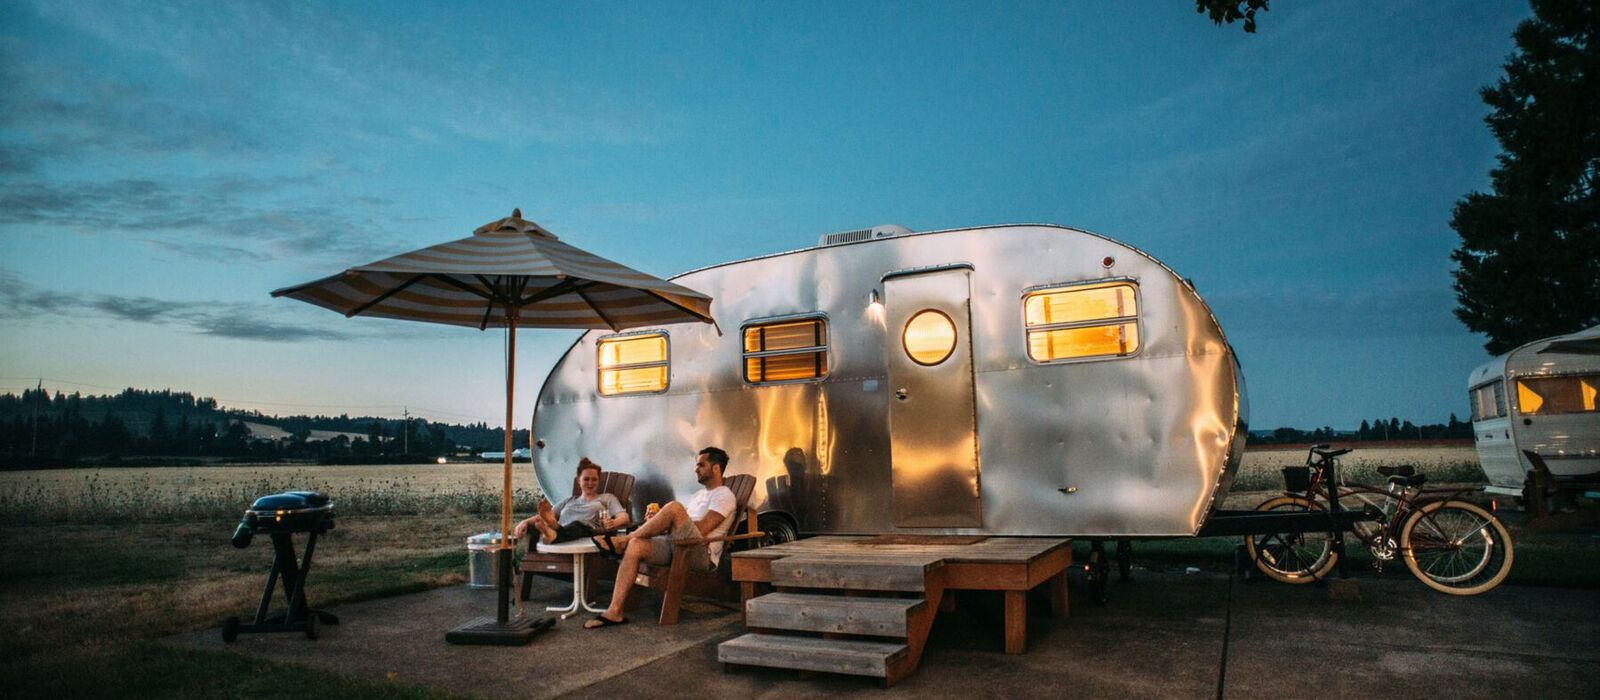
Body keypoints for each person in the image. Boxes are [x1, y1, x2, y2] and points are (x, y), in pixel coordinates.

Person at [583, 446, 737, 628]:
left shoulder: (724, 495)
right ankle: (614, 612)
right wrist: (657, 521)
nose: (696, 469)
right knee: (636, 544)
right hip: (677, 544)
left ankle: (622, 540)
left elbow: (702, 529)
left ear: (716, 468)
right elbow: (682, 526)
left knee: (673, 507)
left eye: (701, 465)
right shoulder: (699, 495)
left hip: (700, 553)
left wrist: (668, 519)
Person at [513, 458, 629, 545]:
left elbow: (624, 517)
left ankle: (554, 531)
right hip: (562, 535)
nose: (590, 483)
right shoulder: (569, 501)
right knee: (542, 522)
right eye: (586, 479)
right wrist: (525, 522)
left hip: (587, 534)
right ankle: (554, 530)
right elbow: (543, 516)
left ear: (599, 481)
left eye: (594, 479)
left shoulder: (607, 498)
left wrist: (613, 523)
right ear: (579, 481)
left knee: (577, 525)